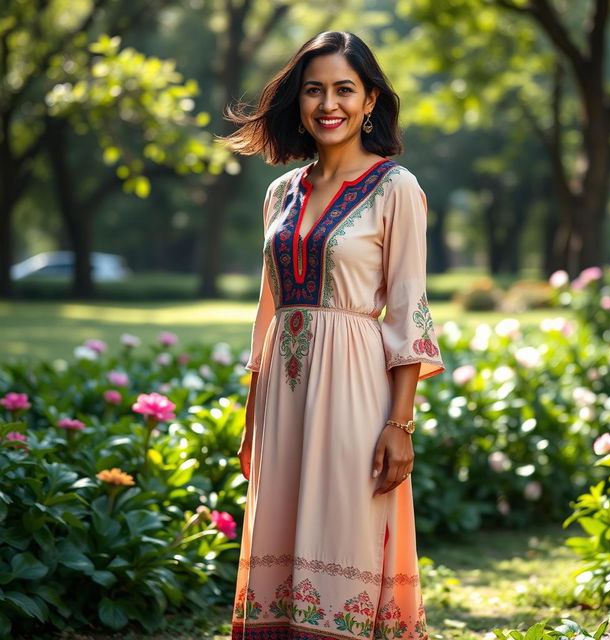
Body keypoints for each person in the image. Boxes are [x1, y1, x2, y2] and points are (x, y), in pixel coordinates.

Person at [220, 30, 445, 640]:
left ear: (370, 100)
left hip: (354, 394)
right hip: (281, 403)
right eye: (314, 90)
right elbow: (267, 312)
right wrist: (250, 421)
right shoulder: (280, 194)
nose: (329, 104)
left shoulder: (396, 188)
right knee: (281, 537)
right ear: (298, 100)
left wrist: (400, 426)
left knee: (344, 536)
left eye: (345, 89)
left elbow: (408, 311)